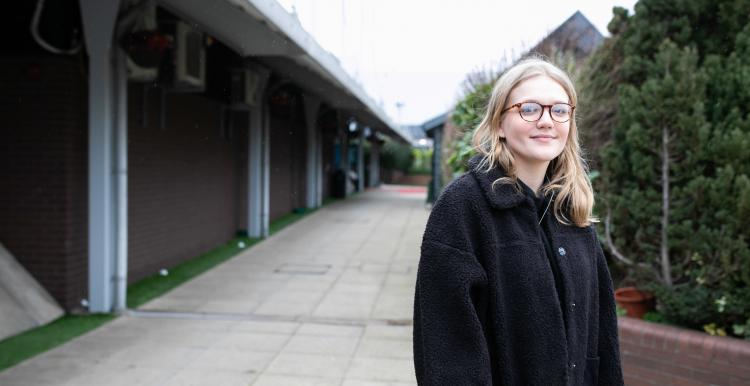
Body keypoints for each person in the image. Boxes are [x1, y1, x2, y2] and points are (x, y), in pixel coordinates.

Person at [413, 57, 624, 385]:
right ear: (499, 123)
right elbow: (447, 345)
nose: (546, 121)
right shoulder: (465, 207)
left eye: (559, 110)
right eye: (529, 109)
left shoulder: (571, 209)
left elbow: (602, 333)